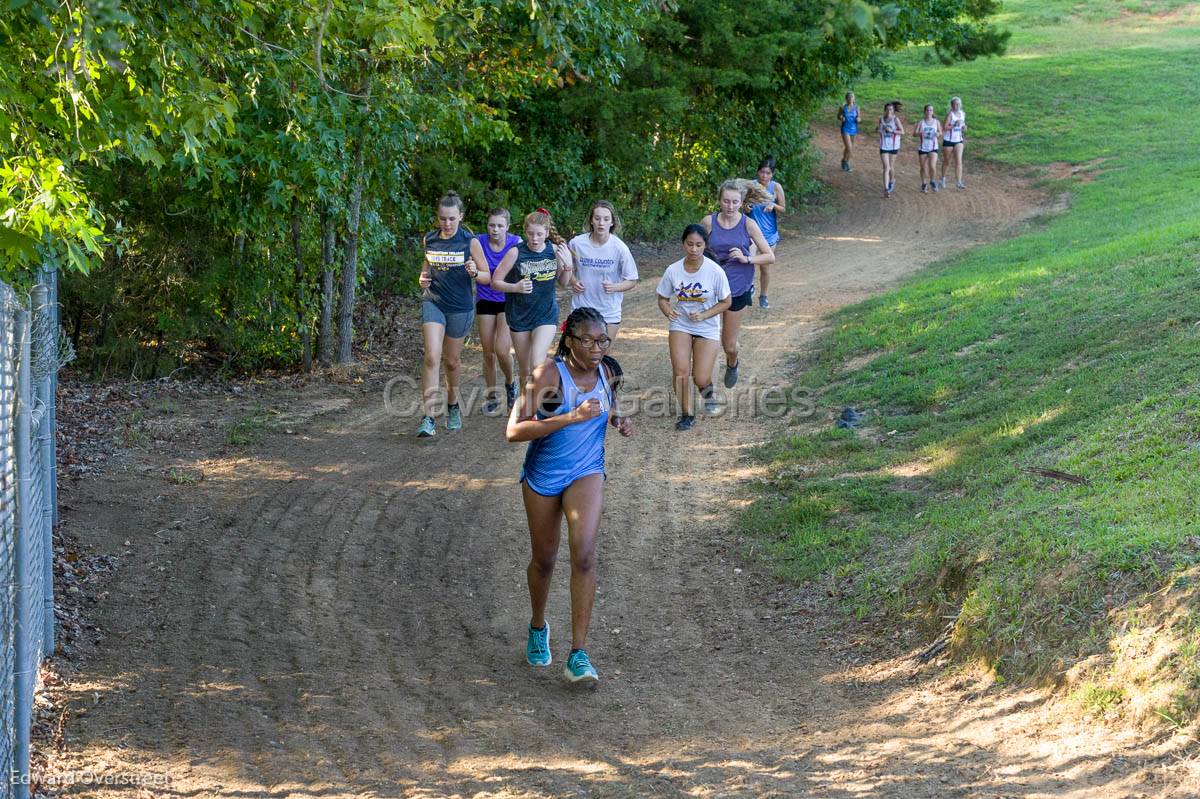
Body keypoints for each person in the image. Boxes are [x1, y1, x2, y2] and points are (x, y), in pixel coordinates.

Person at [506, 306, 634, 684]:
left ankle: (578, 653)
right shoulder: (547, 375)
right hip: (544, 476)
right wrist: (568, 417)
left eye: (603, 340)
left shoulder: (609, 372)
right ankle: (538, 625)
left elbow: (606, 408)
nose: (598, 347)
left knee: (584, 554)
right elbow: (514, 431)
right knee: (544, 561)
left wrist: (618, 420)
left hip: (586, 471)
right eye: (590, 341)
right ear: (570, 340)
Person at [416, 191, 491, 438]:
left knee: (451, 361)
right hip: (434, 302)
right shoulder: (430, 239)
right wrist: (422, 279)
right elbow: (425, 270)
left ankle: (453, 404)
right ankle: (429, 417)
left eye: (451, 219)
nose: (446, 224)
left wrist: (474, 272)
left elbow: (487, 276)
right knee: (431, 357)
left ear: (460, 216)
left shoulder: (470, 242)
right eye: (442, 219)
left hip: (459, 307)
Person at [656, 224, 732, 431]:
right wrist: (667, 310)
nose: (694, 249)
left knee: (701, 377)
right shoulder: (673, 270)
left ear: (705, 245)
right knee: (680, 369)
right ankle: (686, 414)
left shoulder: (715, 271)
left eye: (699, 245)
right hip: (681, 323)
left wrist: (705, 314)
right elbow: (662, 297)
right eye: (690, 244)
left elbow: (727, 301)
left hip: (706, 325)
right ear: (683, 244)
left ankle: (707, 390)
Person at [701, 179, 775, 390]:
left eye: (735, 202)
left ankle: (733, 363)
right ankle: (709, 388)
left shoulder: (748, 225)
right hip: (711, 290)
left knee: (729, 345)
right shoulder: (708, 222)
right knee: (710, 342)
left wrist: (747, 259)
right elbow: (696, 249)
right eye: (726, 201)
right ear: (719, 201)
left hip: (737, 289)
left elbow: (769, 256)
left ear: (742, 202)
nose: (730, 206)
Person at [492, 209, 574, 390]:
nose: (535, 238)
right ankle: (525, 410)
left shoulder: (554, 251)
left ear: (547, 233)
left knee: (537, 363)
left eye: (539, 234)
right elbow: (495, 282)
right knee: (525, 371)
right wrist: (515, 287)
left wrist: (567, 267)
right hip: (519, 316)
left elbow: (563, 283)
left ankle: (542, 405)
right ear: (525, 232)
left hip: (545, 314)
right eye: (530, 234)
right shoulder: (515, 253)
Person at [568, 201, 639, 346]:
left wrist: (615, 287)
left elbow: (632, 279)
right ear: (591, 221)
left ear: (612, 222)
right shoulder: (577, 243)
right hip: (582, 307)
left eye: (606, 219)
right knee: (579, 352)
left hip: (608, 310)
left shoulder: (619, 248)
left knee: (601, 353)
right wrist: (573, 281)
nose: (601, 223)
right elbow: (564, 267)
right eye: (597, 218)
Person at [475, 209, 521, 414]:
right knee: (488, 353)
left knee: (502, 350)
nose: (495, 229)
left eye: (500, 226)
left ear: (507, 227)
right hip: (485, 299)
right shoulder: (478, 242)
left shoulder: (516, 243)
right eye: (492, 225)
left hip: (507, 299)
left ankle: (511, 383)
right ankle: (491, 394)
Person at [748, 158, 786, 310]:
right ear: (758, 172)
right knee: (749, 260)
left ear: (772, 174)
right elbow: (742, 205)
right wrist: (747, 207)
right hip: (751, 231)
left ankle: (763, 296)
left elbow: (783, 208)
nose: (764, 176)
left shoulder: (776, 187)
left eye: (768, 173)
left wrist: (773, 205)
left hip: (769, 233)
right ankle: (749, 287)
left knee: (764, 267)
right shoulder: (751, 186)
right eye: (762, 172)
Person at [939, 96, 968, 189]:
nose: (957, 106)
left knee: (959, 161)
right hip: (948, 140)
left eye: (959, 104)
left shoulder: (963, 114)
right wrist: (954, 124)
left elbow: (964, 126)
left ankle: (959, 182)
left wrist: (964, 127)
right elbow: (945, 127)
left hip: (959, 140)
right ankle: (942, 178)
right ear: (952, 105)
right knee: (947, 161)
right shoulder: (950, 115)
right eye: (955, 104)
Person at [878, 101, 904, 198]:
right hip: (884, 145)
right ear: (885, 110)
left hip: (894, 146)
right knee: (886, 167)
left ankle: (892, 180)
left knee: (891, 167)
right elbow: (878, 130)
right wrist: (878, 129)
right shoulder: (881, 119)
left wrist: (892, 131)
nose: (889, 111)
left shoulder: (896, 120)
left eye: (891, 109)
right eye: (888, 109)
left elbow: (902, 132)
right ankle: (886, 189)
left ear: (893, 111)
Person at [915, 104, 942, 194]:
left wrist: (938, 134)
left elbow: (940, 132)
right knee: (923, 167)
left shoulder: (936, 122)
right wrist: (920, 133)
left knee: (932, 166)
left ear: (933, 112)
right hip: (923, 147)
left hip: (933, 147)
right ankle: (923, 184)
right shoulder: (921, 122)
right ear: (925, 111)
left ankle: (932, 181)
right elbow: (914, 133)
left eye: (931, 110)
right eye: (927, 110)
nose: (929, 112)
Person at [838, 92, 859, 171]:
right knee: (849, 147)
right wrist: (841, 118)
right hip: (845, 128)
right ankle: (846, 163)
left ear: (854, 98)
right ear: (846, 99)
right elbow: (838, 116)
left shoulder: (856, 107)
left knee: (849, 148)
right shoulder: (843, 107)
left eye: (852, 97)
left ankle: (844, 160)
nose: (850, 99)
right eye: (849, 97)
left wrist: (858, 119)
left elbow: (859, 117)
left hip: (853, 129)